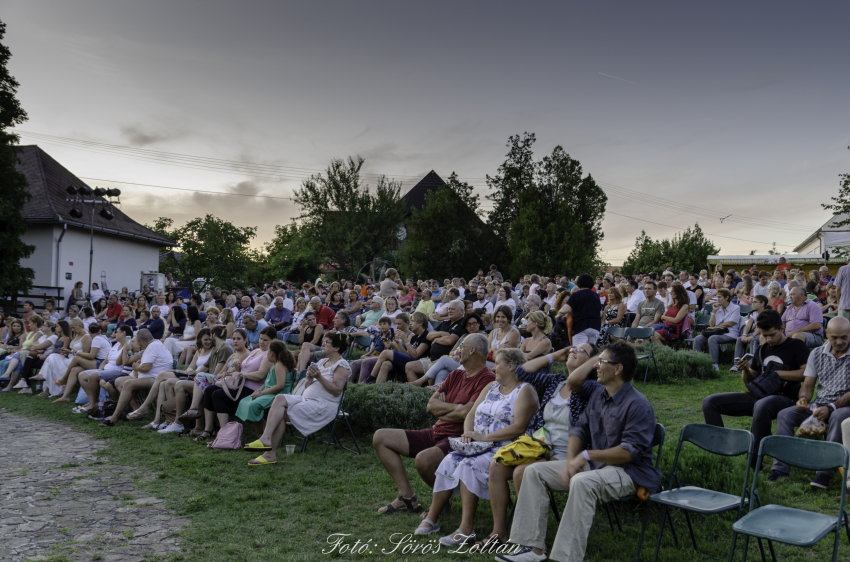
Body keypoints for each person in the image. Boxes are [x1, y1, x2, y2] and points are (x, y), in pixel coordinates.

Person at [499, 342, 661, 562]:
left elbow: (628, 453)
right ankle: (531, 549)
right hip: (595, 466)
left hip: (629, 472)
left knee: (583, 482)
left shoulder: (638, 405)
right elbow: (579, 430)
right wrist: (571, 461)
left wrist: (586, 456)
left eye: (601, 361)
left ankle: (566, 558)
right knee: (534, 471)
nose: (597, 366)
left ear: (618, 368)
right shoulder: (598, 396)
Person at [414, 346, 538, 545]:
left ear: (511, 365)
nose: (494, 367)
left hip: (508, 448)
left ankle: (466, 528)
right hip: (480, 444)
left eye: (497, 363)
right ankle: (432, 518)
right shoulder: (491, 387)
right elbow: (471, 413)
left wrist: (484, 438)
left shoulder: (525, 391)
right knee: (450, 459)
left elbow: (518, 427)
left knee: (469, 465)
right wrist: (468, 435)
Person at [483, 343, 601, 546]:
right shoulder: (556, 381)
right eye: (572, 348)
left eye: (581, 350)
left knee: (521, 472)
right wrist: (554, 355)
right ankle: (499, 532)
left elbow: (577, 381)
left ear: (592, 362)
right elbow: (522, 371)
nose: (573, 350)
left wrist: (592, 362)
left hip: (570, 456)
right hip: (541, 448)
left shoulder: (591, 388)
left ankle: (528, 538)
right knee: (498, 465)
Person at [372, 333, 496, 515]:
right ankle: (407, 498)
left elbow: (467, 414)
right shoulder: (455, 374)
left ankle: (442, 501)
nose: (457, 350)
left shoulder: (487, 379)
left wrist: (448, 408)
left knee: (424, 459)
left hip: (458, 437)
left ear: (472, 350)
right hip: (436, 430)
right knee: (381, 437)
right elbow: (431, 406)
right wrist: (456, 408)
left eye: (461, 346)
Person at [702, 310, 808, 470]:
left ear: (782, 327)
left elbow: (806, 373)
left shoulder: (795, 346)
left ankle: (755, 459)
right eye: (765, 335)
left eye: (772, 334)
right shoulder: (762, 349)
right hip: (760, 394)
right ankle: (720, 450)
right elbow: (751, 383)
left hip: (787, 398)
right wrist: (745, 370)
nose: (769, 339)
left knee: (762, 405)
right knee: (710, 402)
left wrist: (777, 373)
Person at [244, 332, 351, 465]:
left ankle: (269, 452)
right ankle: (267, 445)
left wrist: (319, 377)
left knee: (280, 410)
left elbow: (336, 391)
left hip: (324, 405)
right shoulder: (323, 361)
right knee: (279, 399)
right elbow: (308, 385)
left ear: (336, 348)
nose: (322, 344)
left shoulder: (342, 365)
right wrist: (310, 379)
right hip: (307, 401)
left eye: (326, 342)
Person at [768, 316, 850, 489]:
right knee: (785, 414)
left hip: (845, 406)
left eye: (844, 337)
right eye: (834, 337)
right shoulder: (817, 353)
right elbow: (807, 385)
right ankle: (781, 468)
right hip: (820, 403)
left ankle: (824, 472)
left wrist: (831, 407)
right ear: (827, 334)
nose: (839, 341)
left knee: (838, 417)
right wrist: (803, 399)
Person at [193, 326, 279, 438]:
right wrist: (238, 368)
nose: (262, 342)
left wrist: (241, 374)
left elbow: (260, 375)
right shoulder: (256, 351)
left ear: (273, 340)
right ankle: (208, 429)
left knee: (217, 395)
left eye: (265, 340)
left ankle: (225, 434)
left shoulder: (268, 355)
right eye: (260, 339)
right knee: (209, 390)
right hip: (239, 384)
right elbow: (243, 369)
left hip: (252, 388)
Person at [98, 328, 172, 427]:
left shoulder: (152, 347)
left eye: (139, 343)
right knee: (119, 381)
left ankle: (114, 418)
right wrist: (139, 365)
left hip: (156, 378)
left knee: (128, 383)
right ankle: (135, 409)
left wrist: (137, 367)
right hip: (151, 376)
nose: (140, 346)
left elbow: (145, 368)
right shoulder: (155, 344)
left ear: (141, 341)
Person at [235, 340, 296, 428]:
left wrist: (262, 393)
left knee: (253, 405)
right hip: (269, 392)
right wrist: (259, 390)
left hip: (278, 394)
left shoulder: (279, 365)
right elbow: (268, 382)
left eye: (268, 351)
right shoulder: (275, 364)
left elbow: (280, 385)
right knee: (244, 401)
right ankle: (263, 426)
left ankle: (262, 428)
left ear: (271, 353)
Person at [76, 325, 135, 412]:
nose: (115, 334)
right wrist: (100, 369)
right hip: (106, 369)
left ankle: (94, 403)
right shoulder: (116, 345)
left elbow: (122, 363)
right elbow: (105, 360)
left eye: (117, 332)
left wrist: (98, 372)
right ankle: (92, 400)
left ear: (123, 333)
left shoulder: (128, 346)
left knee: (93, 375)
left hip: (118, 370)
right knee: (82, 375)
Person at [52, 323, 111, 403]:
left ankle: (63, 379)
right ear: (99, 331)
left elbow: (91, 356)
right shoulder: (102, 337)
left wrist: (75, 352)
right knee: (74, 370)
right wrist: (72, 352)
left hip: (102, 363)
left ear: (89, 332)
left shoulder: (96, 339)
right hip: (101, 361)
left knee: (76, 358)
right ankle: (65, 397)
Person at [693, 288, 741, 371]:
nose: (717, 299)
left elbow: (730, 323)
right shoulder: (718, 307)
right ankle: (697, 363)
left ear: (726, 297)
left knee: (713, 338)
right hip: (717, 332)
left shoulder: (735, 307)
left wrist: (715, 328)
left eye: (719, 297)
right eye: (717, 297)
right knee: (698, 339)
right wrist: (714, 312)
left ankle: (714, 365)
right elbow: (711, 324)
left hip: (730, 333)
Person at [558, 274, 602, 345]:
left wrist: (558, 315)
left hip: (581, 327)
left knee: (578, 352)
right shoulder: (596, 295)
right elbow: (601, 313)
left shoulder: (576, 295)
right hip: (595, 327)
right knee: (590, 352)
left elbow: (564, 310)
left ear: (579, 283)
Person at [731, 294, 769, 372]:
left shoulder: (767, 313)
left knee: (753, 340)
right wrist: (744, 335)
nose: (753, 304)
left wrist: (752, 336)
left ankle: (753, 365)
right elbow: (748, 325)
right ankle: (736, 364)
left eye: (755, 302)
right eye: (753, 302)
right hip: (757, 333)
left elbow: (761, 327)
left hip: (765, 334)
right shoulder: (754, 313)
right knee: (740, 339)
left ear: (762, 303)